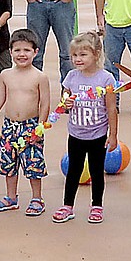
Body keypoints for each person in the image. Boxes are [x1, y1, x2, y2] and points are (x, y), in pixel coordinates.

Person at [0, 29, 51, 217]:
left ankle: (37, 198)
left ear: (36, 52)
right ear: (10, 52)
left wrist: (40, 127)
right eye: (17, 50)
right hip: (9, 127)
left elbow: (45, 104)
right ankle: (11, 197)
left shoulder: (40, 77)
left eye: (26, 50)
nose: (21, 54)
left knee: (33, 164)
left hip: (31, 127)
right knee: (9, 162)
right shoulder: (6, 74)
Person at [51, 31, 118, 224]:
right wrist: (66, 103)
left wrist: (113, 135)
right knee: (73, 170)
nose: (78, 59)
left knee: (97, 172)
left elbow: (111, 109)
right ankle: (67, 206)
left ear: (96, 54)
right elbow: (63, 102)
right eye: (75, 55)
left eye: (83, 54)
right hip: (76, 133)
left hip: (97, 134)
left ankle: (97, 205)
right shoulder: (72, 77)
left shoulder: (106, 79)